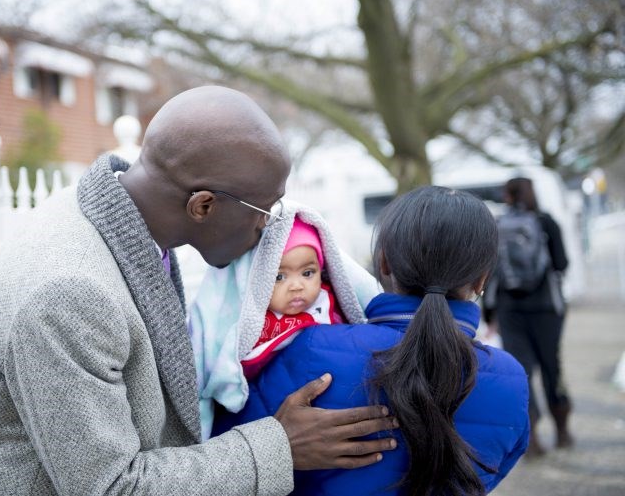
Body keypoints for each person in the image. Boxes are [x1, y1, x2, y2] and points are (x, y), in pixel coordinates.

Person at [0, 86, 397, 496]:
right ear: (203, 205)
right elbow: (112, 486)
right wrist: (281, 445)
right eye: (265, 208)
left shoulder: (117, 218)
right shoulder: (69, 295)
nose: (269, 226)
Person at [218, 186, 530, 495]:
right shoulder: (511, 379)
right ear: (482, 279)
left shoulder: (309, 349)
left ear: (383, 264)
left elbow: (229, 453)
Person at [191, 208, 380, 440]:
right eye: (279, 277)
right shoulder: (247, 322)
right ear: (259, 278)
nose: (297, 286)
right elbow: (220, 367)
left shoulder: (329, 307)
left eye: (308, 273)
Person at [483, 177, 573, 457]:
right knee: (551, 367)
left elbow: (492, 272)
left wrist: (489, 313)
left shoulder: (497, 226)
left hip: (511, 310)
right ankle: (562, 432)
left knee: (521, 372)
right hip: (546, 307)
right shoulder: (546, 222)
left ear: (507, 196)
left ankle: (531, 439)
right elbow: (562, 263)